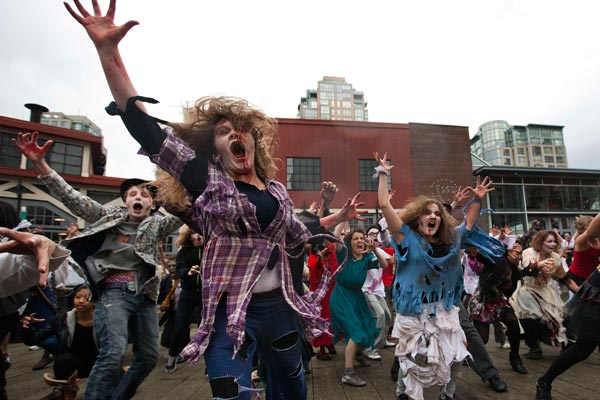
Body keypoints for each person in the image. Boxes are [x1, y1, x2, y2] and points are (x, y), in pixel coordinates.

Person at [63, 1, 366, 398]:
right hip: (228, 312)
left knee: (292, 389)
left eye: (243, 129)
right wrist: (108, 51)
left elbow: (298, 231)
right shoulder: (208, 180)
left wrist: (335, 220)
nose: (235, 134)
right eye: (224, 131)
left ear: (256, 141)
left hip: (279, 310)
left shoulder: (276, 192)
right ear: (214, 146)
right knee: (229, 390)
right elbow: (146, 129)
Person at [13, 130, 182, 400]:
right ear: (126, 201)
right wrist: (40, 163)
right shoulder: (107, 215)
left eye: (145, 195)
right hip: (114, 291)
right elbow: (72, 197)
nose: (138, 198)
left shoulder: (160, 223)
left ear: (152, 204)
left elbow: (187, 208)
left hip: (146, 296)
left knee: (149, 357)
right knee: (113, 352)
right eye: (133, 194)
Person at [375, 151, 495, 400]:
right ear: (418, 217)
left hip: (444, 307)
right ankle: (402, 393)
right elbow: (385, 205)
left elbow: (469, 225)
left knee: (457, 353)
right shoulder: (406, 237)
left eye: (437, 213)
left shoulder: (452, 240)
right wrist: (384, 173)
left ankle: (447, 394)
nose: (433, 216)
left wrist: (477, 200)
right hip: (414, 310)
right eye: (427, 212)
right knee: (410, 358)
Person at [536, 212, 600, 399]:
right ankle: (545, 381)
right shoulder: (584, 240)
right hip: (595, 292)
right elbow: (590, 233)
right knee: (583, 349)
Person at [329, 227, 387, 387]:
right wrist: (342, 218)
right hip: (341, 297)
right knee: (355, 332)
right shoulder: (344, 255)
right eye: (356, 238)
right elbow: (335, 237)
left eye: (362, 238)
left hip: (357, 297)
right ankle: (348, 373)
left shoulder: (367, 258)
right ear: (349, 242)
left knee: (368, 327)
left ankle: (359, 353)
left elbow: (384, 265)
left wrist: (374, 249)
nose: (360, 241)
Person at [21, 285, 98, 400]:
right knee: (62, 360)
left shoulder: (103, 320)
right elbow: (33, 340)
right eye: (78, 297)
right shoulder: (63, 319)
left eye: (87, 298)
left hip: (100, 363)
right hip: (74, 364)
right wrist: (26, 327)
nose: (81, 301)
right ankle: (63, 390)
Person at [510, 230, 577, 360]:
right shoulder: (529, 252)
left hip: (545, 291)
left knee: (561, 316)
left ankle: (566, 344)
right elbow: (528, 269)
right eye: (549, 241)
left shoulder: (556, 258)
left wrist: (580, 291)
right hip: (527, 291)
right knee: (531, 320)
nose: (552, 244)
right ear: (541, 242)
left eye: (554, 241)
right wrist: (539, 264)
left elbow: (565, 278)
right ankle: (534, 348)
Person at [467, 243, 528, 375]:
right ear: (508, 252)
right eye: (517, 253)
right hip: (483, 300)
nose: (519, 256)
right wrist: (474, 250)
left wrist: (531, 270)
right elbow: (481, 256)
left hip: (498, 301)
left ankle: (515, 358)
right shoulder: (495, 260)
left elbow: (509, 291)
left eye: (521, 253)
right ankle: (467, 354)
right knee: (483, 339)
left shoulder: (515, 271)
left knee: (513, 324)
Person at [164, 226, 204, 372]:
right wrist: (188, 271)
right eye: (194, 233)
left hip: (205, 294)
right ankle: (172, 356)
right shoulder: (184, 252)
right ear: (189, 237)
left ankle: (209, 363)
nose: (198, 236)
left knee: (206, 327)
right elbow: (179, 269)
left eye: (200, 233)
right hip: (188, 293)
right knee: (179, 326)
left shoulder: (210, 249)